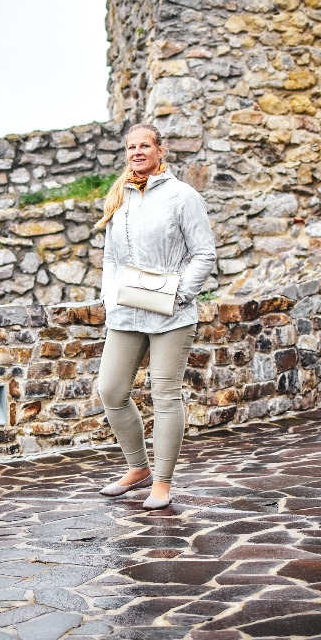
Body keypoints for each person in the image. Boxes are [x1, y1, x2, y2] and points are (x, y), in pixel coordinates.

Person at [95, 122, 216, 510]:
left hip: (170, 314)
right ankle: (138, 469)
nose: (137, 152)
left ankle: (161, 482)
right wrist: (109, 297)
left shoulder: (183, 197)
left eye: (144, 145)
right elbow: (110, 257)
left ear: (160, 151)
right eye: (131, 147)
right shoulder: (120, 196)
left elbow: (204, 254)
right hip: (126, 311)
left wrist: (179, 295)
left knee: (165, 395)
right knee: (111, 390)